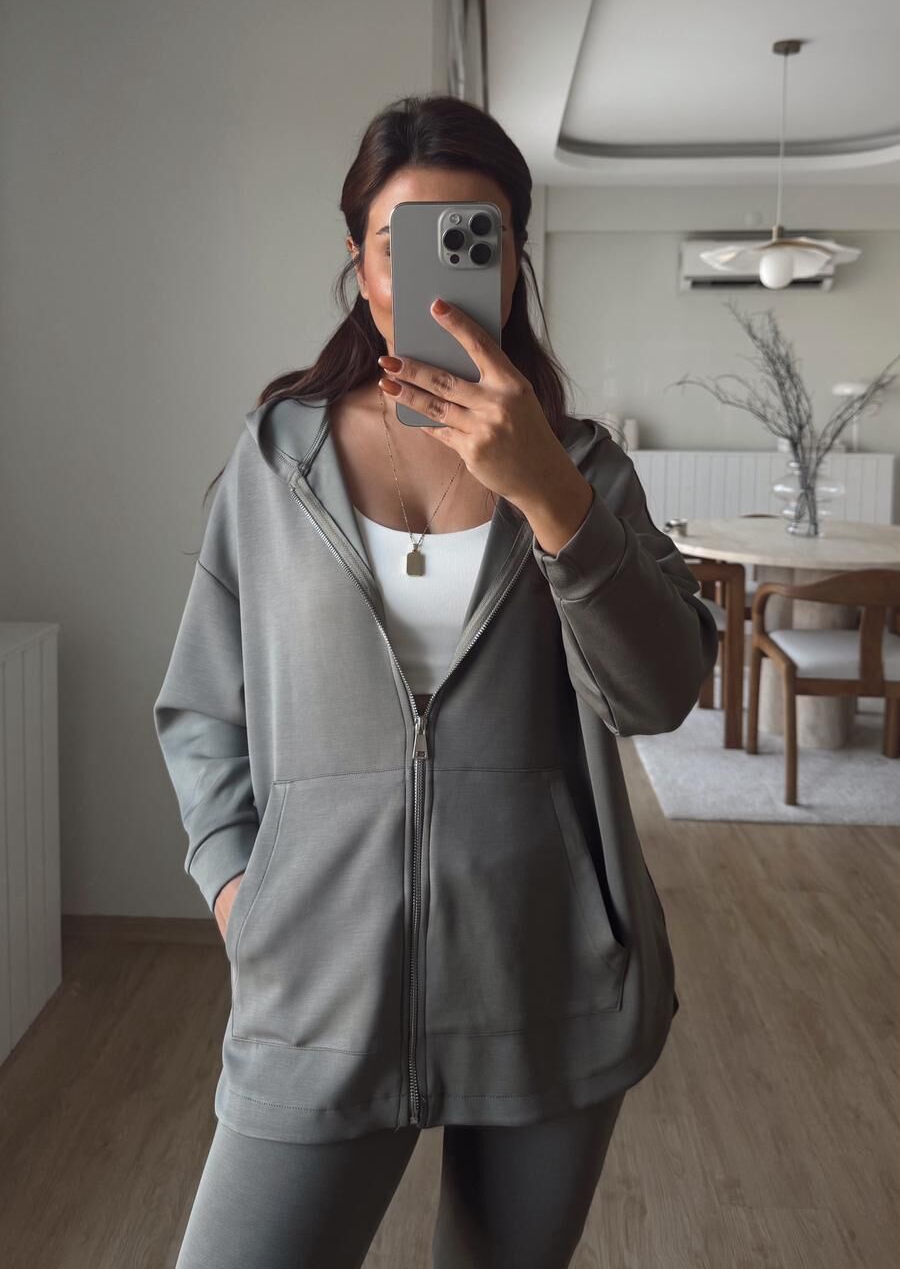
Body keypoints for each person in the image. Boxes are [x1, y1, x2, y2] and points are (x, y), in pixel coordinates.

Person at [154, 93, 718, 1268]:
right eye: (402, 241)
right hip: (316, 989)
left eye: (480, 238)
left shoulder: (585, 468)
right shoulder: (277, 460)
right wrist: (241, 894)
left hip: (544, 978)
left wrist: (549, 494)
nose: (446, 272)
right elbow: (203, 707)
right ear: (362, 265)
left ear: (515, 264)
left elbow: (659, 693)